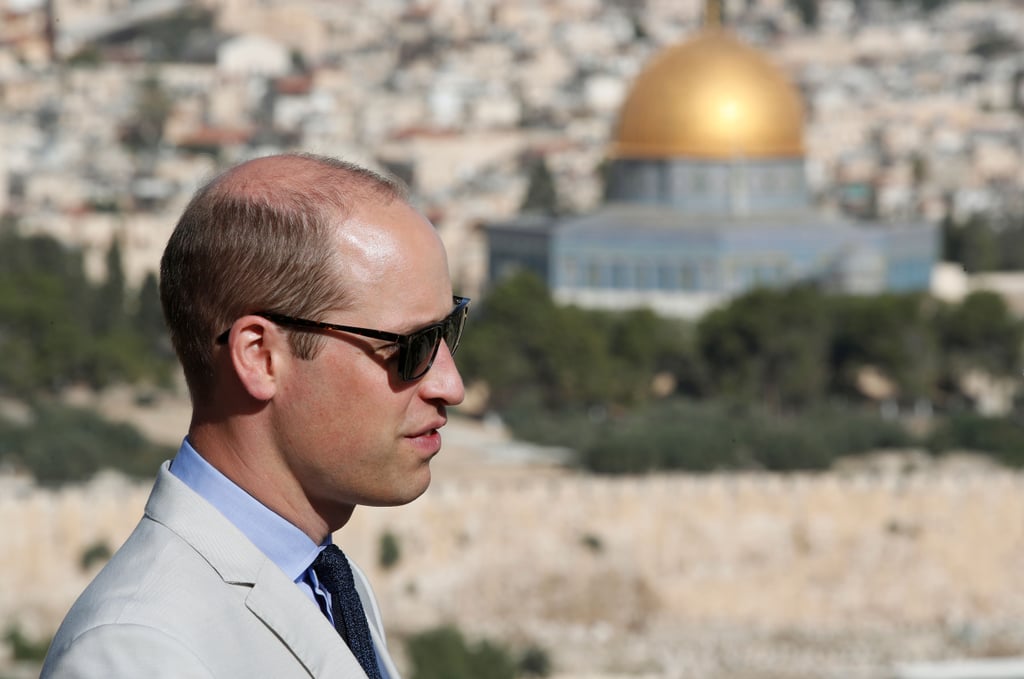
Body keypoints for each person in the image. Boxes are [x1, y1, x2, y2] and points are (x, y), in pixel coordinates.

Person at [40, 153, 468, 678]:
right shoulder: (137, 650)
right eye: (413, 346)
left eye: (448, 331)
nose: (451, 386)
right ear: (261, 357)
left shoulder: (327, 582)